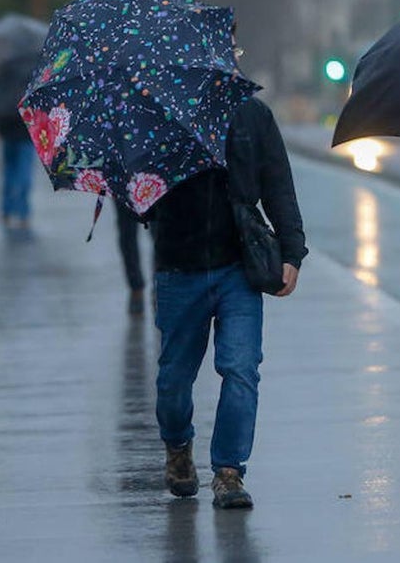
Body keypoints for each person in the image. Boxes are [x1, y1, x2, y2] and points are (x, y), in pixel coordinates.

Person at [146, 37, 306, 510]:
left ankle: (229, 471)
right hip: (180, 267)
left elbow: (278, 184)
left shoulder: (252, 115)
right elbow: (142, 201)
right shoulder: (162, 117)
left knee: (241, 368)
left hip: (240, 265)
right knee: (174, 381)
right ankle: (178, 445)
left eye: (229, 51)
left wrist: (292, 252)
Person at [0, 53, 39, 235]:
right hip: (27, 129)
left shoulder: (6, 68)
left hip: (7, 127)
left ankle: (7, 211)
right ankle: (23, 213)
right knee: (24, 172)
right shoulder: (35, 69)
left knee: (9, 170)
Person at [114, 199, 147, 316]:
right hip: (126, 191)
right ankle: (136, 287)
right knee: (127, 233)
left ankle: (159, 284)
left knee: (160, 231)